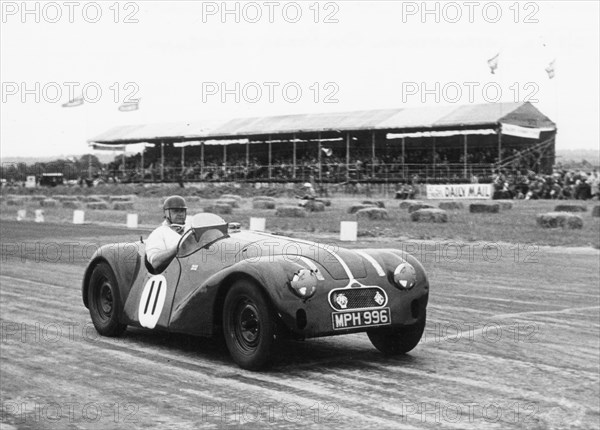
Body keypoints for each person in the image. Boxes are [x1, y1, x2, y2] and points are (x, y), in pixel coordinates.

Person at [145, 195, 189, 271]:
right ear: (166, 213)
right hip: (174, 274)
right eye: (175, 211)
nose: (180, 214)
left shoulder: (191, 228)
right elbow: (155, 262)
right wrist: (178, 248)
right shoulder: (159, 233)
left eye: (182, 211)